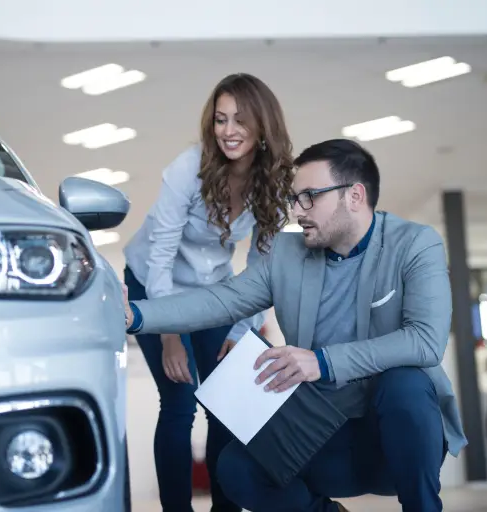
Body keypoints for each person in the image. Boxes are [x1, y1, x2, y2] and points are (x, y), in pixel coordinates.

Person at [123, 139, 468, 512]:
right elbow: (223, 299)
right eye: (294, 199)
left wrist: (321, 361)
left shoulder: (415, 244)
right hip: (323, 431)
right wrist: (138, 316)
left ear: (354, 196)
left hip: (397, 438)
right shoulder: (289, 250)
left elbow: (425, 342)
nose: (298, 210)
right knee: (236, 467)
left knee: (406, 382)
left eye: (310, 197)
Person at [122, 72, 294, 512]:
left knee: (228, 400)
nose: (228, 131)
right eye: (220, 119)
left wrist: (241, 329)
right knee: (179, 402)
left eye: (240, 120)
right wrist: (169, 335)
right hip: (152, 285)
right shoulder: (189, 167)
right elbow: (160, 254)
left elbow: (262, 268)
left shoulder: (270, 181)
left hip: (212, 292)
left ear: (262, 126)